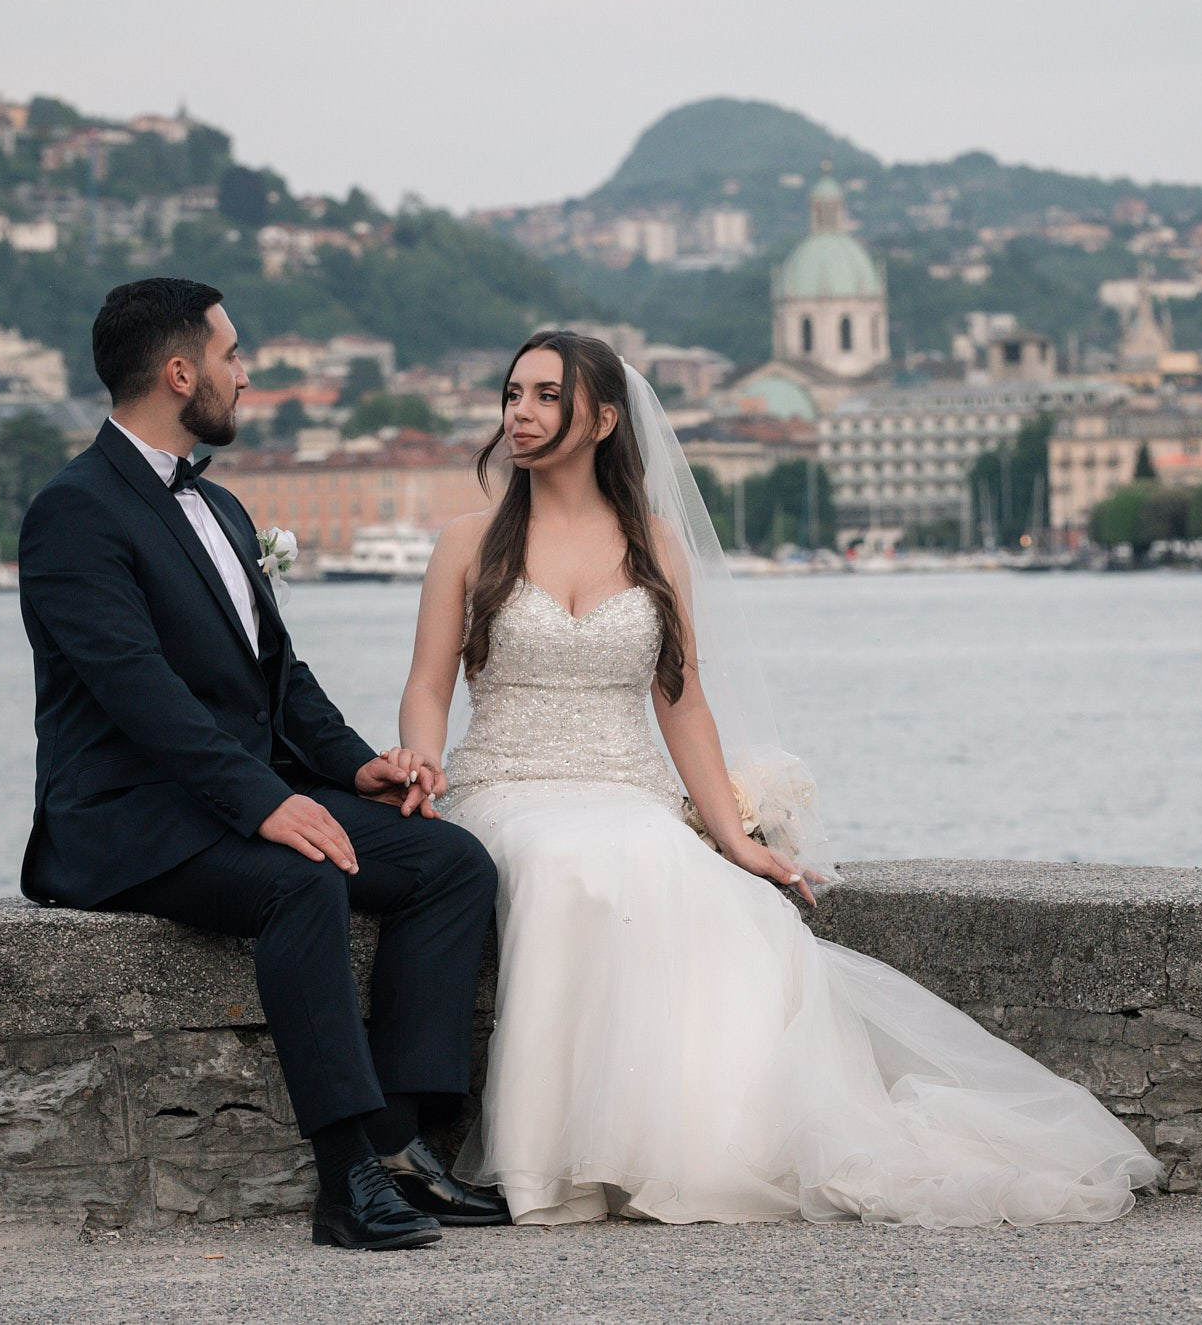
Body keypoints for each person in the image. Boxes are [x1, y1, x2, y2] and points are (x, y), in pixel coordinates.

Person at [391, 330, 1162, 1226]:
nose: (519, 413)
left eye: (545, 396)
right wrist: (424, 766)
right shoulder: (466, 542)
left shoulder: (655, 544)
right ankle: (545, 1162)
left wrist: (734, 837)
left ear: (602, 418)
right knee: (569, 863)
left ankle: (695, 1148)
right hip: (506, 785)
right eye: (512, 394)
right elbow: (426, 686)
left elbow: (682, 704)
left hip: (626, 786)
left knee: (718, 894)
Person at [18, 277, 507, 1251]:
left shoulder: (225, 508)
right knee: (301, 879)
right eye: (234, 356)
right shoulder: (73, 513)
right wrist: (265, 804)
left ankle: (402, 1145)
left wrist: (358, 766)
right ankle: (345, 1181)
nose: (247, 377)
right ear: (178, 370)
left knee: (448, 864)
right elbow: (138, 692)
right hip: (126, 816)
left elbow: (278, 676)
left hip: (232, 796)